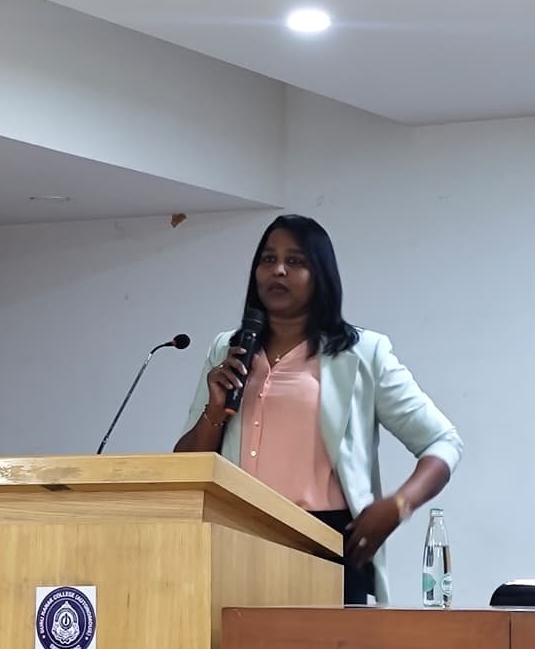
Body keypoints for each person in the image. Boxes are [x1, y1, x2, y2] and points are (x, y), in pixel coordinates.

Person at [174, 214, 462, 603]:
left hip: (325, 545)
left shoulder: (361, 353)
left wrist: (398, 506)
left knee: (321, 648)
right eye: (268, 259)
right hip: (234, 541)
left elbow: (443, 442)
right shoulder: (228, 350)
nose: (278, 270)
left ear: (321, 275)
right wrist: (214, 410)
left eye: (295, 261)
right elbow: (187, 467)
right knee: (231, 645)